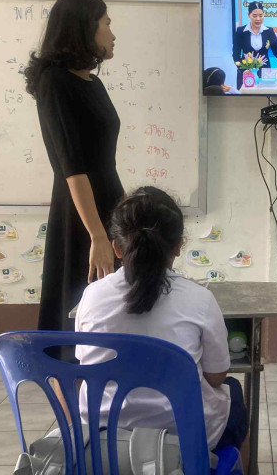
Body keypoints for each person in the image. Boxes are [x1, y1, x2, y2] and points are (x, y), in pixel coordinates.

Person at [75, 187, 248, 452]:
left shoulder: (91, 296)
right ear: (178, 246)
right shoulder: (200, 299)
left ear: (117, 248)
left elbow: (85, 366)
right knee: (233, 392)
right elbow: (216, 377)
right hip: (182, 441)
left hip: (104, 440)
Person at [25, 0, 123, 338]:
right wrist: (97, 235)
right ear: (84, 28)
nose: (112, 34)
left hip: (109, 205)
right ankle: (72, 373)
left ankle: (109, 370)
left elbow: (102, 159)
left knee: (112, 307)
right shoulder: (55, 82)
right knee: (78, 303)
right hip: (82, 212)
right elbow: (73, 167)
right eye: (106, 24)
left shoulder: (93, 83)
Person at [232, 0, 277, 90]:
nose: (258, 19)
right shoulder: (241, 31)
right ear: (248, 15)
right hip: (246, 72)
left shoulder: (269, 31)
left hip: (265, 72)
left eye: (261, 16)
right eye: (254, 16)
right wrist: (242, 69)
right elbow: (236, 53)